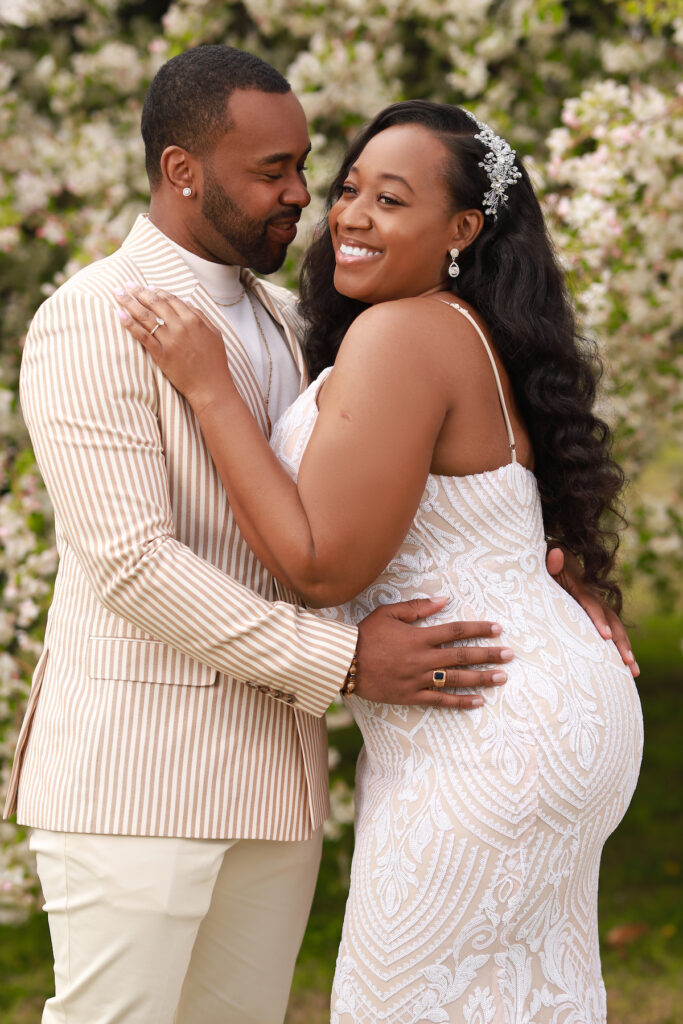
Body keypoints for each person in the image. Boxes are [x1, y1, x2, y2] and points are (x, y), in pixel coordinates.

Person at [3, 49, 580, 1024]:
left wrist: (556, 574)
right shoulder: (92, 319)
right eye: (271, 171)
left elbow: (385, 491)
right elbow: (134, 566)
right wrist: (348, 658)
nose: (301, 193)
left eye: (304, 163)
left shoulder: (295, 322)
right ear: (184, 171)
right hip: (135, 778)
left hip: (274, 771)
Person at [117, 99, 643, 1022]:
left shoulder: (403, 333)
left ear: (462, 229)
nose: (351, 215)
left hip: (483, 730)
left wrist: (209, 388)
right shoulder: (458, 326)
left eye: (391, 200)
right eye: (350, 187)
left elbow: (322, 567)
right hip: (542, 708)